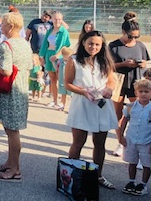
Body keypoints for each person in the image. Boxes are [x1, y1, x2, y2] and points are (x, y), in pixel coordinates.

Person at [65, 30, 118, 190]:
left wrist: (109, 89)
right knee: (78, 142)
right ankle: (70, 174)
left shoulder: (105, 61)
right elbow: (67, 83)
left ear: (102, 46)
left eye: (97, 44)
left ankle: (98, 175)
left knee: (100, 143)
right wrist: (83, 91)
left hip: (102, 105)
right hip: (82, 104)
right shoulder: (73, 60)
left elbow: (111, 81)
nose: (93, 47)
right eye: (90, 43)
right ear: (83, 43)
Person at [0, 12, 32, 182]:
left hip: (10, 91)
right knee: (10, 128)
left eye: (3, 24)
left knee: (12, 131)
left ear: (11, 27)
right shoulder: (25, 44)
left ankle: (15, 168)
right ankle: (10, 162)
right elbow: (29, 66)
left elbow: (6, 70)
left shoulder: (6, 45)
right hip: (21, 90)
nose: (1, 26)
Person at [109, 12, 150, 157]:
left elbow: (146, 62)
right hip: (119, 80)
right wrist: (123, 64)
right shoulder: (114, 46)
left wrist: (143, 64)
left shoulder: (140, 46)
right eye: (130, 36)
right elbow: (108, 66)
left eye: (136, 36)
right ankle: (120, 142)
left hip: (136, 82)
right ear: (123, 32)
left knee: (139, 113)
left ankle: (137, 142)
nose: (133, 39)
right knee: (118, 114)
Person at [118, 78, 151, 196]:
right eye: (140, 91)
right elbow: (124, 121)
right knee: (132, 161)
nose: (143, 94)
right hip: (131, 139)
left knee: (147, 163)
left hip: (146, 140)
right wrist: (120, 136)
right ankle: (131, 181)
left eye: (146, 91)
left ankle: (143, 184)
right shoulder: (130, 106)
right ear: (136, 92)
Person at [39, 10, 71, 110]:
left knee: (61, 79)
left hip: (59, 57)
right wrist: (41, 56)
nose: (57, 21)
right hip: (49, 54)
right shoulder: (50, 30)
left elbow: (65, 45)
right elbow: (45, 44)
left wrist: (57, 55)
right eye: (55, 19)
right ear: (52, 19)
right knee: (52, 79)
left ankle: (63, 102)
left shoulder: (63, 31)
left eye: (59, 19)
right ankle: (54, 100)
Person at [56, 47, 74, 112]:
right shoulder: (60, 61)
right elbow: (57, 68)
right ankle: (62, 105)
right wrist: (57, 75)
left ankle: (69, 106)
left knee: (70, 95)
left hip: (69, 80)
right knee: (63, 93)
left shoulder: (72, 61)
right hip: (62, 79)